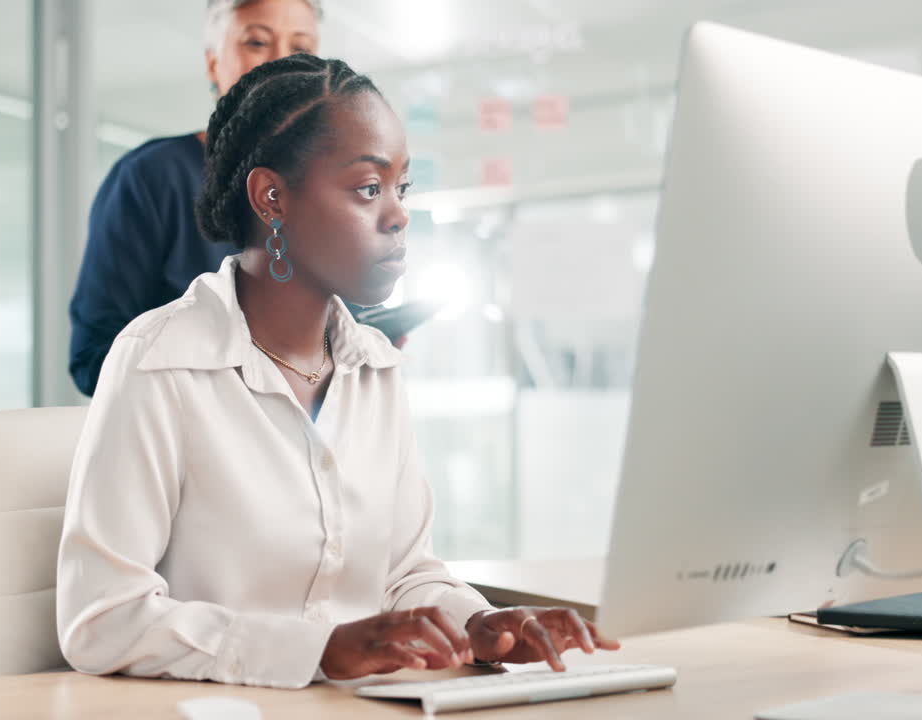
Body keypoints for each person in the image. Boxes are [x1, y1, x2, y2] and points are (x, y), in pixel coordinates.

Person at [55, 54, 619, 688]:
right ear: (272, 197)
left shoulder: (375, 367)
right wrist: (318, 650)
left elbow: (407, 572)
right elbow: (101, 620)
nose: (399, 214)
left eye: (401, 188)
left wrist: (481, 626)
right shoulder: (159, 359)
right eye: (368, 188)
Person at [68, 0, 323, 396]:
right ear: (212, 63)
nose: (281, 65)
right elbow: (94, 358)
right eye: (256, 42)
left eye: (301, 50)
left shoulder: (324, 189)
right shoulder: (152, 176)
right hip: (187, 448)